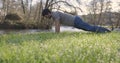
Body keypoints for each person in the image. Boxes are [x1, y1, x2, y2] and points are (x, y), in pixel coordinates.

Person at [42, 8, 111, 33]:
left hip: (76, 20)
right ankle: (102, 31)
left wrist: (57, 34)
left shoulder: (55, 14)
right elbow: (57, 24)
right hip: (75, 22)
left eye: (45, 16)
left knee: (89, 27)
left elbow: (57, 24)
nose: (46, 17)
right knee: (88, 28)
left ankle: (107, 31)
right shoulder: (54, 16)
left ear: (48, 13)